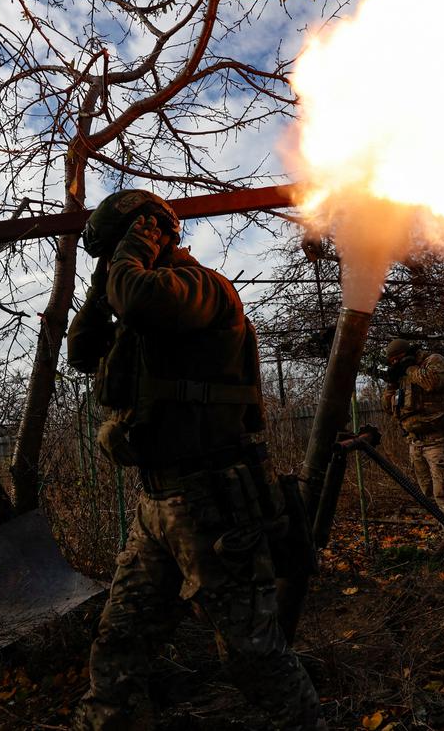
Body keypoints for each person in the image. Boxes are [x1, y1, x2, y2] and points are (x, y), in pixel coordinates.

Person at [66, 189, 323, 731]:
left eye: (119, 251)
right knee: (119, 644)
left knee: (252, 656)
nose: (114, 265)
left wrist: (135, 245)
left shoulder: (198, 287)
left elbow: (137, 297)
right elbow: (82, 349)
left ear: (149, 235)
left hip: (214, 501)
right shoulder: (137, 303)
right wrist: (98, 282)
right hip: (156, 505)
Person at [381, 338, 444, 568]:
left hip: (438, 440)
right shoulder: (401, 375)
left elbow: (431, 383)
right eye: (392, 362)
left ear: (407, 354)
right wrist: (392, 382)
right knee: (428, 496)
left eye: (397, 359)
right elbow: (387, 404)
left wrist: (408, 368)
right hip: (415, 442)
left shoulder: (433, 362)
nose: (395, 364)